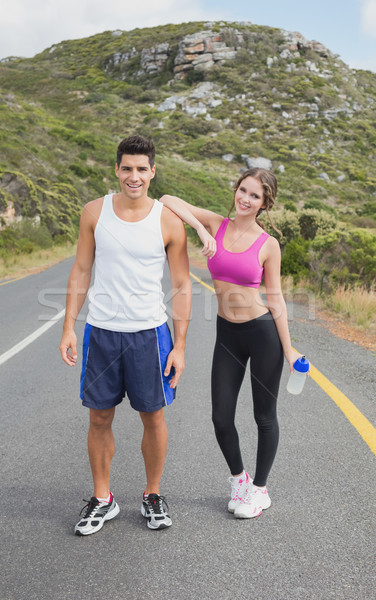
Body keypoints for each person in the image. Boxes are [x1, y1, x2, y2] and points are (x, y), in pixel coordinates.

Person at [59, 135, 192, 534]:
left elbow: (183, 286)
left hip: (149, 335)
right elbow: (81, 271)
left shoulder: (168, 220)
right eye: (127, 168)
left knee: (153, 416)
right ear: (117, 169)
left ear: (153, 172)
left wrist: (180, 346)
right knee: (99, 417)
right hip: (102, 332)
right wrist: (69, 325)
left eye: (142, 169)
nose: (134, 176)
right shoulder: (94, 212)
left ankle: (152, 495)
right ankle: (103, 499)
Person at [160, 168, 297, 519]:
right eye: (243, 190)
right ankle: (239, 479)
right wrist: (200, 228)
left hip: (262, 333)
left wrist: (289, 348)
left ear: (264, 204)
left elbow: (276, 299)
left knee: (263, 416)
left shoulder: (268, 245)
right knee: (221, 417)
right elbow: (167, 200)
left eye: (255, 196)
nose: (245, 199)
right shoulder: (218, 225)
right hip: (227, 335)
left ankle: (259, 490)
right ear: (235, 190)